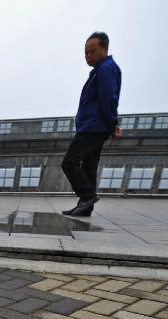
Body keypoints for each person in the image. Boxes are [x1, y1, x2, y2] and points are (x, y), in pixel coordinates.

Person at [61, 32, 122, 217]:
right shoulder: (102, 69)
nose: (88, 56)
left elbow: (108, 100)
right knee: (88, 167)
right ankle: (86, 206)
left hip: (94, 127)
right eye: (85, 53)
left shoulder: (106, 69)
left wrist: (113, 124)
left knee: (69, 162)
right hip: (95, 126)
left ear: (104, 49)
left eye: (92, 51)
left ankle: (87, 196)